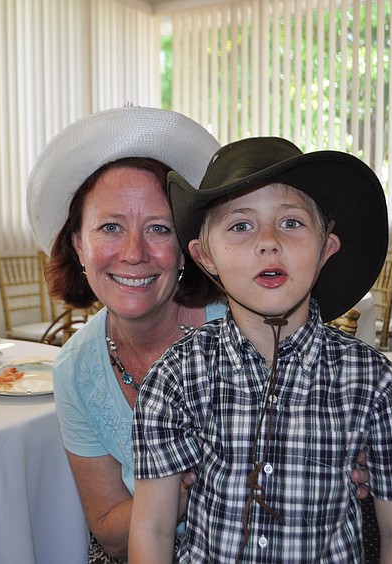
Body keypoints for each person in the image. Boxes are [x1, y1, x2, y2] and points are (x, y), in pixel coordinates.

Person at [26, 108, 371, 564]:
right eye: (110, 227)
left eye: (159, 229)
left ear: (192, 249)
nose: (133, 253)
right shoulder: (75, 369)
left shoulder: (248, 318)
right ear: (78, 245)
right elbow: (110, 533)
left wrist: (353, 449)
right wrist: (180, 486)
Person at [129, 137, 392, 563]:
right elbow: (153, 527)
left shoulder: (376, 383)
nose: (268, 242)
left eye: (291, 223)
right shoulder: (175, 378)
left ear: (325, 249)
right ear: (206, 258)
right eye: (240, 225)